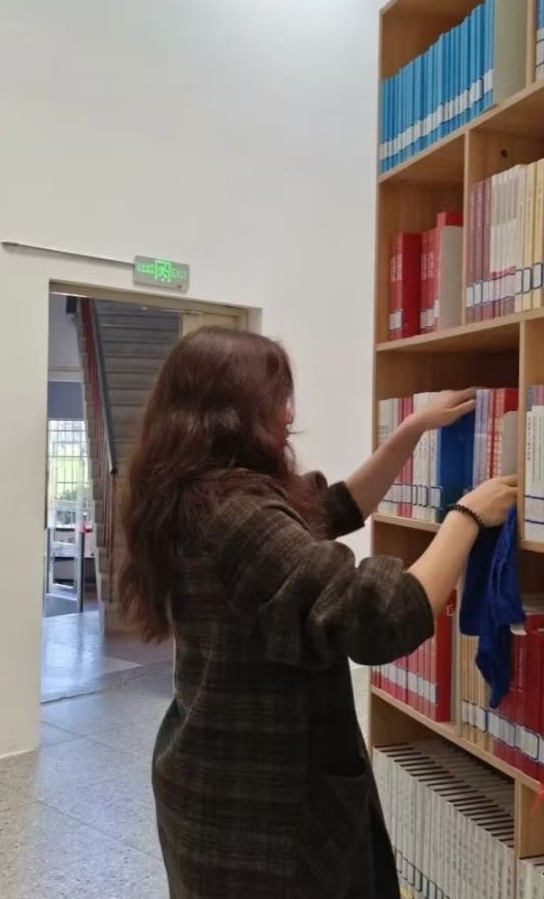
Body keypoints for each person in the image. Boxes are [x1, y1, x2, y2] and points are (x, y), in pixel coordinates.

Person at [119, 326, 517, 899]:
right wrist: (467, 518)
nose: (288, 415)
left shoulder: (191, 490)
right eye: (274, 399)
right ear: (230, 412)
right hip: (259, 813)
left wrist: (409, 433)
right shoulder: (234, 513)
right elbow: (378, 616)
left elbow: (327, 511)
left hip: (210, 776)